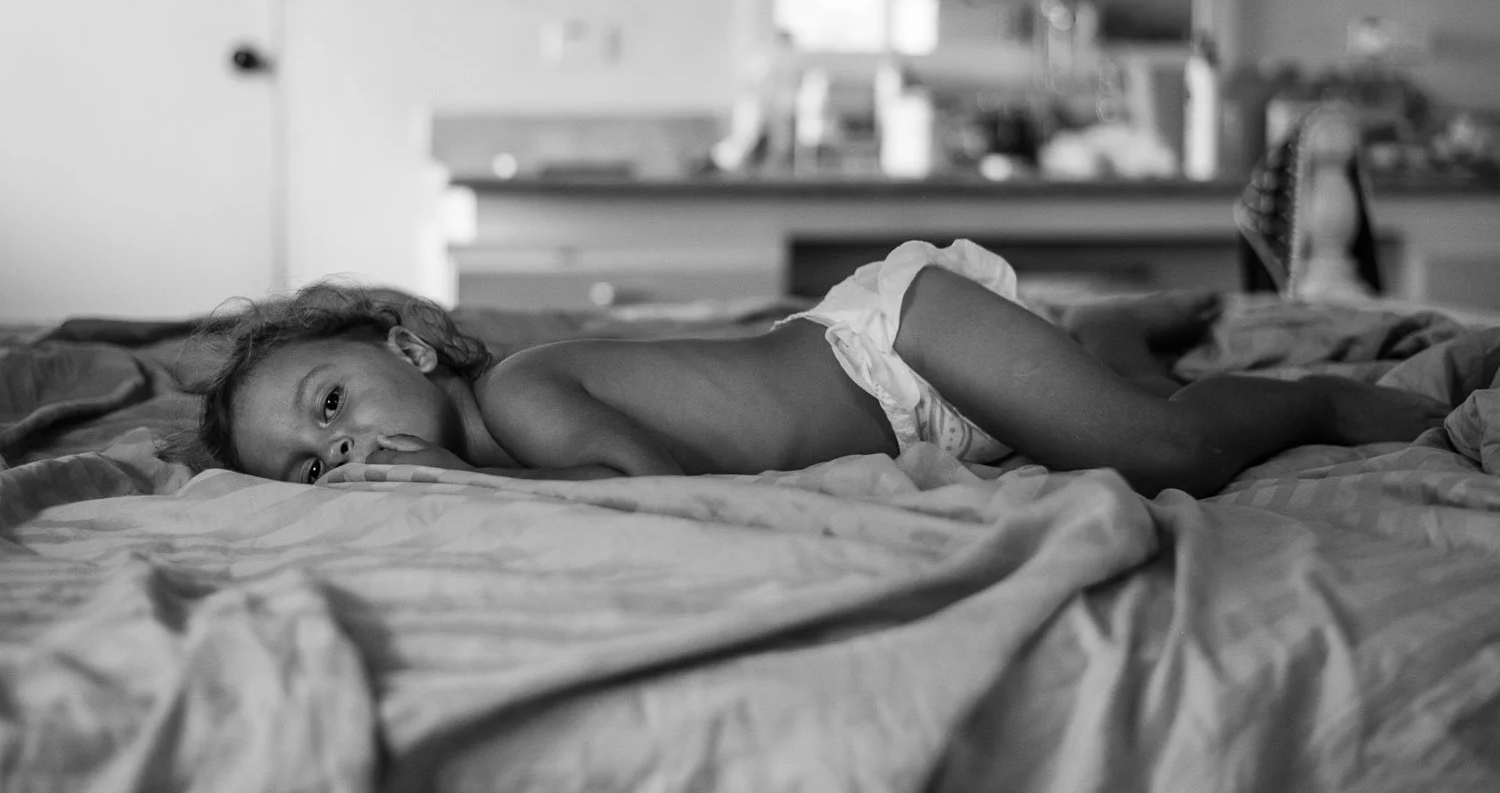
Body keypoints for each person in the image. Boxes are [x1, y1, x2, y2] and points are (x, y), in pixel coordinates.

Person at [191, 240, 1450, 499]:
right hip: (929, 419)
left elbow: (656, 483)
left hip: (898, 344)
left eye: (334, 403)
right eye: (312, 465)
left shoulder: (518, 396)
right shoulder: (491, 440)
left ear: (410, 347)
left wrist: (468, 488)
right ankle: (1121, 327)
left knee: (1167, 452)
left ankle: (1327, 395)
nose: (345, 451)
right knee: (1105, 403)